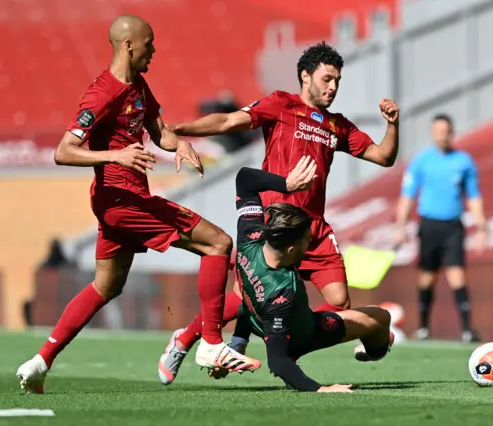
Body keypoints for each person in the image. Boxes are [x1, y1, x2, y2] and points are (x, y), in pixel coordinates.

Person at [16, 15, 260, 394]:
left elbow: (160, 133)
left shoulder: (139, 87)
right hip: (122, 200)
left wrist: (179, 143)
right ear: (130, 45)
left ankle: (40, 361)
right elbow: (63, 152)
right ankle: (210, 343)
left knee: (105, 287)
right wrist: (115, 157)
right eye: (150, 43)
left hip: (122, 201)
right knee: (218, 242)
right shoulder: (102, 92)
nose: (155, 50)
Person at [158, 41, 400, 384]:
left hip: (313, 228)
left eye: (337, 82)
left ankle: (285, 341)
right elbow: (228, 121)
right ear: (306, 76)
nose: (332, 87)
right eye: (327, 79)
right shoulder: (281, 104)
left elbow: (382, 156)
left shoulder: (337, 126)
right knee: (244, 298)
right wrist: (177, 130)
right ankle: (184, 339)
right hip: (275, 224)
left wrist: (392, 125)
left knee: (339, 299)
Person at [229, 157, 393, 392]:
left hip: (258, 322)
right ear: (290, 248)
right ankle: (376, 351)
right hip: (306, 333)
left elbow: (244, 177)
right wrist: (321, 389)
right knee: (381, 317)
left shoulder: (250, 235)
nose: (311, 243)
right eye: (307, 239)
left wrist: (287, 185)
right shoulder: (281, 292)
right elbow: (277, 362)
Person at [394, 114, 488, 342]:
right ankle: (424, 328)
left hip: (453, 226)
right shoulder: (421, 161)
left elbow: (474, 196)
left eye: (445, 131)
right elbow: (407, 195)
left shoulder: (464, 162)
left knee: (457, 276)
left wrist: (482, 227)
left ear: (451, 133)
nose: (441, 136)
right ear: (432, 133)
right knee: (427, 277)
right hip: (429, 225)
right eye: (437, 132)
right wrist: (400, 225)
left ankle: (466, 329)